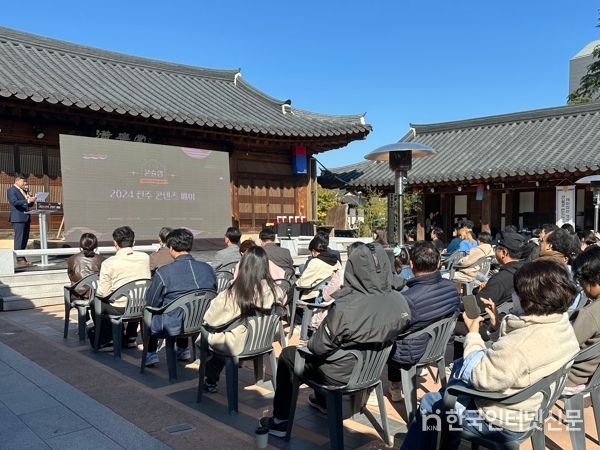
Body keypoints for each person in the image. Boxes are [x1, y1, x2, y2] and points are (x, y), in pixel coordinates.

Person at [402, 260, 579, 449]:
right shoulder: (561, 325)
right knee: (447, 394)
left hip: (502, 421)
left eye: (516, 292)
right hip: (532, 407)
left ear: (528, 299)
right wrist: (497, 325)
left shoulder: (519, 345)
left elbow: (481, 378)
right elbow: (520, 354)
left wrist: (473, 334)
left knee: (431, 403)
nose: (513, 295)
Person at [258, 242, 411, 437]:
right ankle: (322, 402)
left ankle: (280, 421)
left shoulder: (347, 307)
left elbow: (318, 347)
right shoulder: (399, 300)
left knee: (289, 355)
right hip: (372, 370)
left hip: (340, 373)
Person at [200, 246, 286, 392]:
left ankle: (210, 377)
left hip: (238, 343)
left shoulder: (233, 294)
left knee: (208, 334)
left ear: (243, 265)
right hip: (264, 340)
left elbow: (211, 320)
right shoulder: (276, 291)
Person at [388, 241, 460, 402]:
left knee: (389, 337)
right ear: (439, 263)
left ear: (411, 265)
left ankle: (395, 386)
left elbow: (392, 328)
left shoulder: (408, 298)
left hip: (410, 353)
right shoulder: (451, 287)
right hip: (439, 346)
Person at [144, 228, 216, 366]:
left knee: (153, 312)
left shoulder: (164, 272)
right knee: (183, 305)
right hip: (202, 320)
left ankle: (151, 353)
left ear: (170, 248)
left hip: (173, 325)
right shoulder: (207, 269)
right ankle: (183, 349)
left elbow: (151, 302)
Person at [452, 231, 525, 359]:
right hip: (508, 320)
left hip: (488, 324)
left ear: (504, 253)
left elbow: (475, 308)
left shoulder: (501, 279)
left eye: (497, 249)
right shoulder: (525, 273)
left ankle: (457, 362)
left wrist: (455, 302)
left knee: (448, 324)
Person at [91, 226, 151, 349]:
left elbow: (103, 292)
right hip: (142, 305)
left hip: (119, 308)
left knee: (95, 303)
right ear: (134, 242)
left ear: (115, 243)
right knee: (135, 298)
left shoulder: (109, 263)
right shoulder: (145, 257)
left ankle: (107, 340)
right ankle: (131, 337)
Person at [564, 246, 600, 394]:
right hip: (594, 374)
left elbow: (565, 345)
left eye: (582, 280)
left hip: (573, 376)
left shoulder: (590, 314)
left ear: (595, 278)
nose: (582, 286)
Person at [7, 173, 36, 266]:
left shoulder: (23, 191)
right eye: (23, 181)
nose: (25, 183)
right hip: (18, 218)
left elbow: (27, 204)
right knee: (19, 239)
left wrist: (31, 200)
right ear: (17, 181)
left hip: (26, 217)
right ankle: (19, 259)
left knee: (25, 238)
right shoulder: (11, 190)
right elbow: (14, 202)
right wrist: (27, 200)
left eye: (25, 181)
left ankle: (23, 258)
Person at [67, 233, 105, 300]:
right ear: (95, 245)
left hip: (77, 296)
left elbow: (70, 276)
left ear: (81, 244)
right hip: (96, 296)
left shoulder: (72, 259)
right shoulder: (103, 260)